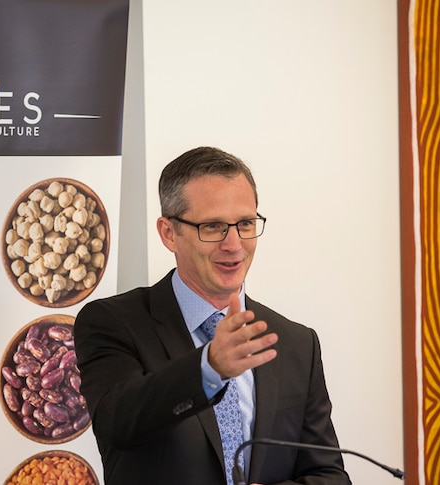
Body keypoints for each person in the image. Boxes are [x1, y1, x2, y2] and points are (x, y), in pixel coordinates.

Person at [74, 146, 351, 485]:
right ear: (168, 233)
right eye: (213, 226)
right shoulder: (113, 322)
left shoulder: (296, 342)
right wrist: (209, 368)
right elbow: (118, 424)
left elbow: (329, 475)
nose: (234, 244)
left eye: (245, 224)